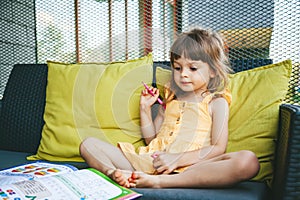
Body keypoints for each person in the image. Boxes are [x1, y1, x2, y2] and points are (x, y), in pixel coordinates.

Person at [79, 27, 260, 188]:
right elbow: (152, 140)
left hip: (192, 169)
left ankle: (160, 182)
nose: (184, 75)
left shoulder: (216, 102)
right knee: (88, 145)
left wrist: (177, 158)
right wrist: (145, 109)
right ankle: (116, 175)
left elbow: (218, 148)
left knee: (248, 161)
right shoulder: (171, 99)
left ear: (212, 70)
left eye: (193, 68)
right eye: (177, 67)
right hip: (150, 163)